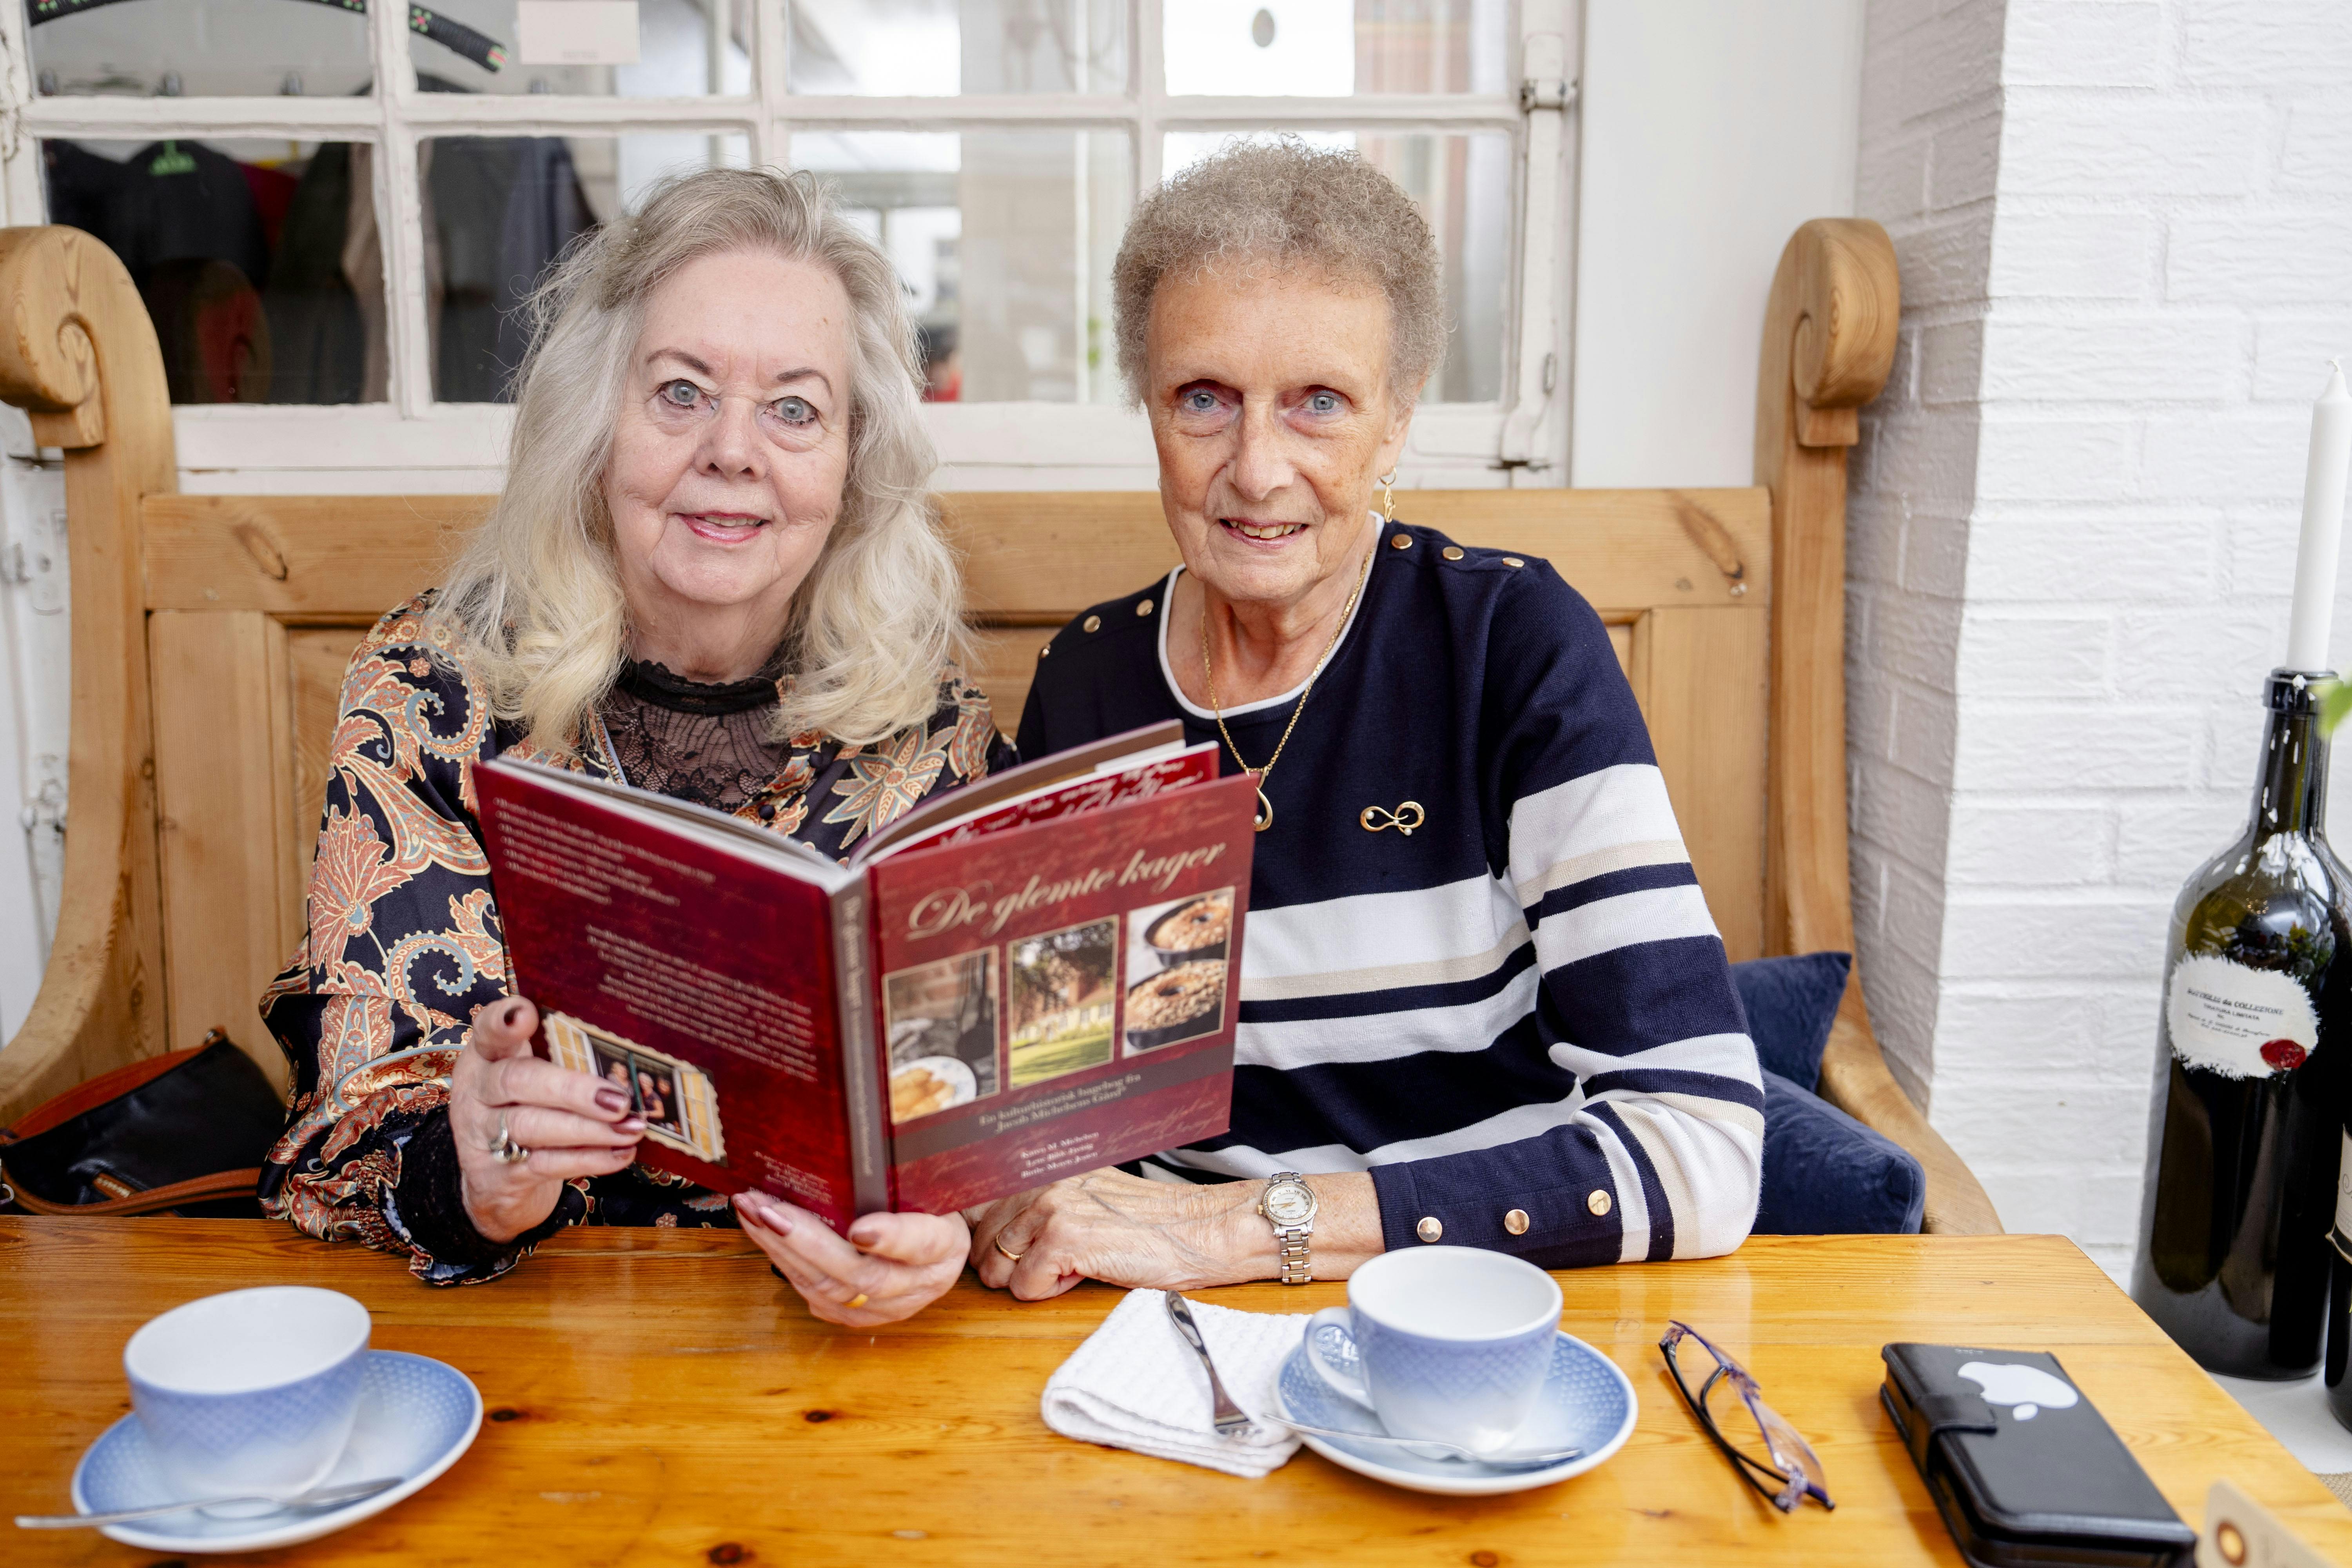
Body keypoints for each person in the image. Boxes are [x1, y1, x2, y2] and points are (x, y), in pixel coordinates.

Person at [789, 139, 1765, 1324]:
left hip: (1478, 1310)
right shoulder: (1088, 681)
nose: (1257, 469)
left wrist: (1239, 1231)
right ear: (1149, 408)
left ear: (1396, 422)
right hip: (1149, 1327)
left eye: (1319, 403)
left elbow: (1702, 1150)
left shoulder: (1511, 645)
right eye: (1204, 398)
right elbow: (1032, 1105)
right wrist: (996, 1197)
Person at [259, 167, 1011, 1296]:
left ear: (854, 466)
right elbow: (356, 1114)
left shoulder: (924, 719)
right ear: (595, 421)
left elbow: (972, 1113)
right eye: (680, 391)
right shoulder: (433, 688)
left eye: (794, 408)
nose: (733, 450)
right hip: (523, 1319)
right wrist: (474, 1180)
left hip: (808, 1335)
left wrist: (935, 1240)